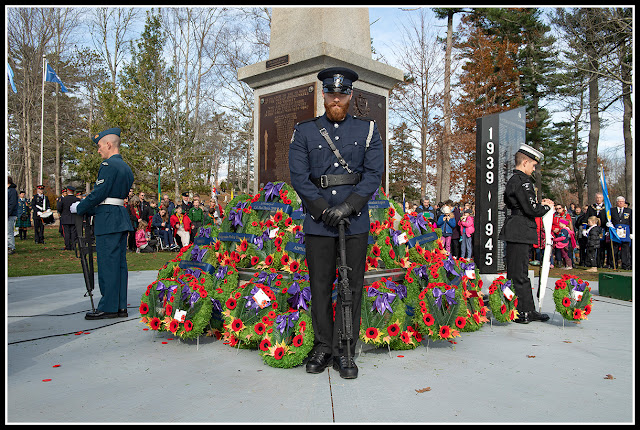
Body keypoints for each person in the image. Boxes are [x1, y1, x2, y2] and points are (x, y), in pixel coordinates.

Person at [289, 66, 384, 379]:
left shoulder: (369, 130)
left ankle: (346, 350)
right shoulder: (304, 131)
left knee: (351, 287)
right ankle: (323, 346)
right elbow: (299, 177)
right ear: (323, 95)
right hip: (319, 224)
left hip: (354, 222)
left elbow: (372, 175)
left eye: (342, 94)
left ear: (351, 95)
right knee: (319, 286)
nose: (336, 99)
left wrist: (348, 206)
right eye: (330, 93)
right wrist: (320, 209)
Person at [70, 127, 134, 320]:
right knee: (119, 265)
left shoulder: (109, 166)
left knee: (108, 264)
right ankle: (120, 305)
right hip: (119, 216)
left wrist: (79, 207)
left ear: (108, 144)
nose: (98, 151)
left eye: (99, 146)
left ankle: (108, 307)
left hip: (108, 218)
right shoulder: (126, 168)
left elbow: (99, 194)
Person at [498, 143, 554, 324]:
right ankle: (522, 311)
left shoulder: (516, 181)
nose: (533, 168)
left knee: (519, 271)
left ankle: (525, 308)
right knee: (518, 273)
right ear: (524, 163)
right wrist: (547, 207)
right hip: (519, 230)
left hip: (519, 230)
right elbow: (531, 209)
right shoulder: (522, 181)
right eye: (533, 165)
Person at [586, 192, 613, 268]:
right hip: (592, 230)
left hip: (602, 229)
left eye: (600, 197)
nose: (598, 199)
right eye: (597, 197)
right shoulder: (591, 207)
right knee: (593, 247)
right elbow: (587, 217)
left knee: (602, 247)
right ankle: (593, 263)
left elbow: (609, 218)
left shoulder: (607, 207)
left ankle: (601, 263)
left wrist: (608, 229)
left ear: (603, 198)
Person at [610, 196, 632, 270]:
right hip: (615, 233)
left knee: (625, 250)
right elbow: (609, 219)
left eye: (622, 201)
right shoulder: (612, 210)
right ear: (616, 202)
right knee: (614, 248)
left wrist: (632, 232)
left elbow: (631, 221)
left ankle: (625, 265)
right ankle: (613, 264)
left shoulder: (629, 211)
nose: (620, 203)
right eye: (619, 201)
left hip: (625, 233)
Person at [58, 185, 80, 251]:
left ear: (67, 191)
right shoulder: (77, 199)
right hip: (74, 218)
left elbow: (59, 208)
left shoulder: (63, 199)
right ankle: (73, 246)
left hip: (65, 218)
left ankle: (67, 246)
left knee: (66, 233)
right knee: (73, 233)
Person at [8, 176, 19, 255]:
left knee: (9, 232)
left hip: (10, 215)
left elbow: (12, 204)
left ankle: (11, 247)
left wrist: (7, 213)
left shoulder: (12, 191)